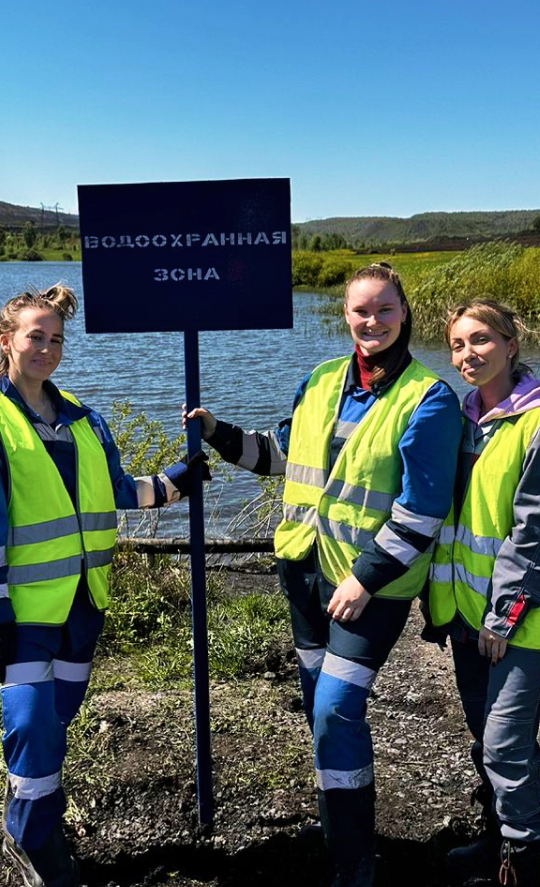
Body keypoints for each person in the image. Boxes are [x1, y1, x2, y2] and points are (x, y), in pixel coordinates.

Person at [185, 262, 460, 887]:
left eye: (384, 310)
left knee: (337, 709)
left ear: (404, 312)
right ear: (345, 315)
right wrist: (219, 434)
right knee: (317, 708)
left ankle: (355, 857)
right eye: (361, 310)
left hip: (373, 590)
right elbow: (282, 455)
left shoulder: (429, 398)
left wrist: (364, 579)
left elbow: (423, 510)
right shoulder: (321, 379)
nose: (372, 321)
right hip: (305, 577)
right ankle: (337, 825)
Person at [0, 284, 206, 887]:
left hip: (84, 606)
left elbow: (114, 492)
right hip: (24, 616)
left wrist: (173, 484)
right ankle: (37, 843)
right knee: (32, 725)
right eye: (35, 336)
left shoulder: (83, 419)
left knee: (56, 721)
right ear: (6, 340)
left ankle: (32, 822)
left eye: (56, 338)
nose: (47, 348)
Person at [427, 299, 540, 887]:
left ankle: (525, 862)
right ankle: (500, 836)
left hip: (520, 619)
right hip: (467, 614)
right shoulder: (466, 420)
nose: (466, 355)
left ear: (510, 344)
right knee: (486, 736)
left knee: (503, 742)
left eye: (480, 341)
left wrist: (505, 616)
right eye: (456, 345)